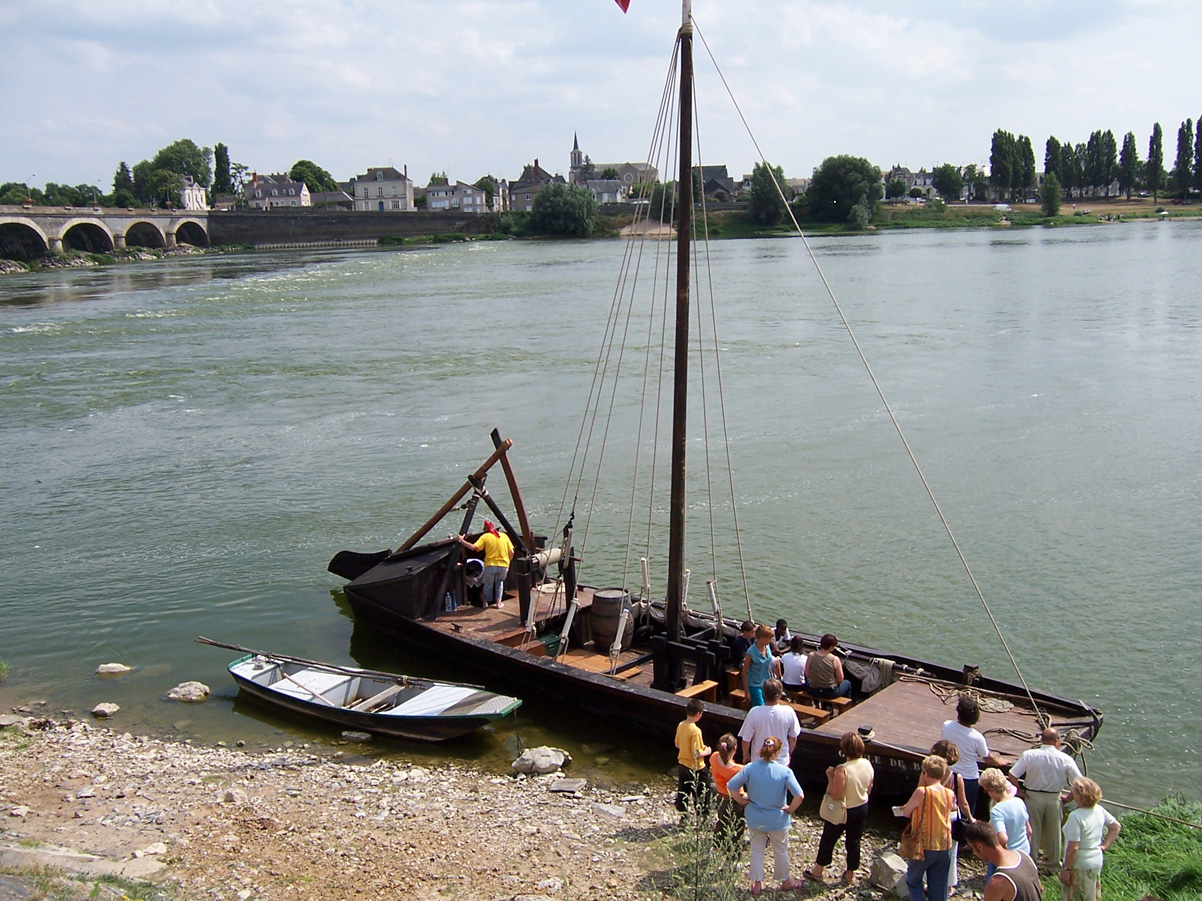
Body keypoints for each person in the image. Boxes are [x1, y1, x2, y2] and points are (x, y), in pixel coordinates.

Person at [727, 736, 805, 896]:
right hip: (777, 819)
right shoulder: (785, 771)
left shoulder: (751, 768)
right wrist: (790, 809)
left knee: (756, 850)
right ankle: (785, 881)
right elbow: (800, 795)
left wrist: (741, 800)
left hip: (755, 817)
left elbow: (731, 785)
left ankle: (757, 884)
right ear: (778, 752)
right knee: (780, 850)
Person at [1006, 727, 1083, 869]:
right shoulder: (1065, 758)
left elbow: (1012, 774)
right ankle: (1053, 863)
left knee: (1032, 830)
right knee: (1054, 831)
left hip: (1032, 796)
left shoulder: (1029, 755)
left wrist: (1019, 791)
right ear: (1057, 741)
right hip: (1054, 797)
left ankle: (1031, 860)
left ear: (1042, 740)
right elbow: (1079, 782)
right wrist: (1070, 797)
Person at [804, 731, 874, 886]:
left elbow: (835, 794)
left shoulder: (842, 769)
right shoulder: (867, 763)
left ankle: (818, 869)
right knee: (854, 841)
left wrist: (830, 776)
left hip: (844, 809)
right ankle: (850, 872)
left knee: (829, 838)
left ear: (844, 750)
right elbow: (869, 787)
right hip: (862, 806)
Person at [898, 754, 956, 901]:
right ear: (943, 774)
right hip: (944, 844)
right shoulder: (949, 793)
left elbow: (906, 812)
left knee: (913, 880)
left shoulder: (922, 792)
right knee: (939, 884)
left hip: (924, 844)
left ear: (925, 773)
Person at [941, 695, 1007, 817]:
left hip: (949, 774)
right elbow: (988, 759)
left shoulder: (947, 725)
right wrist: (1000, 761)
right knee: (966, 810)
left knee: (946, 807)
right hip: (968, 778)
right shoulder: (977, 738)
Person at [1060, 777, 1120, 901]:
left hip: (1079, 865)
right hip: (1096, 861)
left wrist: (1066, 869)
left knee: (1074, 897)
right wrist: (1105, 846)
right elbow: (1115, 827)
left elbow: (1074, 848)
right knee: (1090, 896)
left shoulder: (1075, 817)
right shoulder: (1099, 810)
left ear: (1078, 796)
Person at [929, 740, 973, 896]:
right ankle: (949, 885)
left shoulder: (928, 773)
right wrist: (971, 819)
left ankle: (928, 881)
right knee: (951, 852)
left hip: (933, 813)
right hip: (951, 817)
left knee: (930, 847)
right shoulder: (956, 777)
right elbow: (963, 803)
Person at [964, 820, 1042, 901]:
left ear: (979, 846)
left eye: (972, 848)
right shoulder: (1025, 857)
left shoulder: (997, 882)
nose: (973, 853)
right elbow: (1040, 889)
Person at [980, 767, 1030, 880]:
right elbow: (1029, 831)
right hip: (1024, 852)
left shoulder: (997, 810)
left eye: (985, 790)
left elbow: (1003, 839)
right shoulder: (1019, 801)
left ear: (992, 790)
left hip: (1008, 857)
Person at [738, 679, 801, 767]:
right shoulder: (789, 712)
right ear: (779, 695)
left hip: (758, 762)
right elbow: (793, 738)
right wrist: (788, 754)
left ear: (763, 694)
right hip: (781, 763)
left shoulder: (754, 712)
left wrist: (746, 755)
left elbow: (746, 739)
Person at [456, 521, 514, 609]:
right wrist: (508, 562)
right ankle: (499, 603)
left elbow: (473, 547)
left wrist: (461, 540)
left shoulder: (485, 536)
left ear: (485, 529)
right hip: (504, 565)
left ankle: (485, 604)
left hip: (490, 565)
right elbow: (512, 552)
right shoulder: (504, 536)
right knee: (499, 583)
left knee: (487, 585)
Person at [674, 698, 712, 813]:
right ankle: (702, 816)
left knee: (684, 791)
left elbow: (677, 744)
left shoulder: (681, 725)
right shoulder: (696, 731)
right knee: (702, 792)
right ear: (699, 714)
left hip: (682, 764)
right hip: (696, 767)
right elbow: (696, 753)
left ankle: (683, 816)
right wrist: (708, 751)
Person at [708, 733, 745, 845]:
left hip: (720, 796)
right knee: (737, 826)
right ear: (735, 748)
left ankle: (716, 846)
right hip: (736, 800)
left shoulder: (714, 757)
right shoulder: (739, 769)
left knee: (722, 822)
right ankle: (732, 853)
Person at [740, 625, 781, 707]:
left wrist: (773, 679)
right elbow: (744, 672)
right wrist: (746, 691)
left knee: (770, 705)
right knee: (760, 706)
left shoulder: (767, 647)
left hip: (767, 684)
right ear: (762, 638)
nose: (770, 640)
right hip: (755, 685)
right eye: (769, 638)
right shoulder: (751, 652)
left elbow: (768, 664)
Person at [805, 633, 851, 699]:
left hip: (813, 690)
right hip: (830, 692)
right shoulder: (835, 659)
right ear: (831, 646)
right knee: (848, 683)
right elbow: (840, 679)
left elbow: (807, 675)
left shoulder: (811, 655)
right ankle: (846, 706)